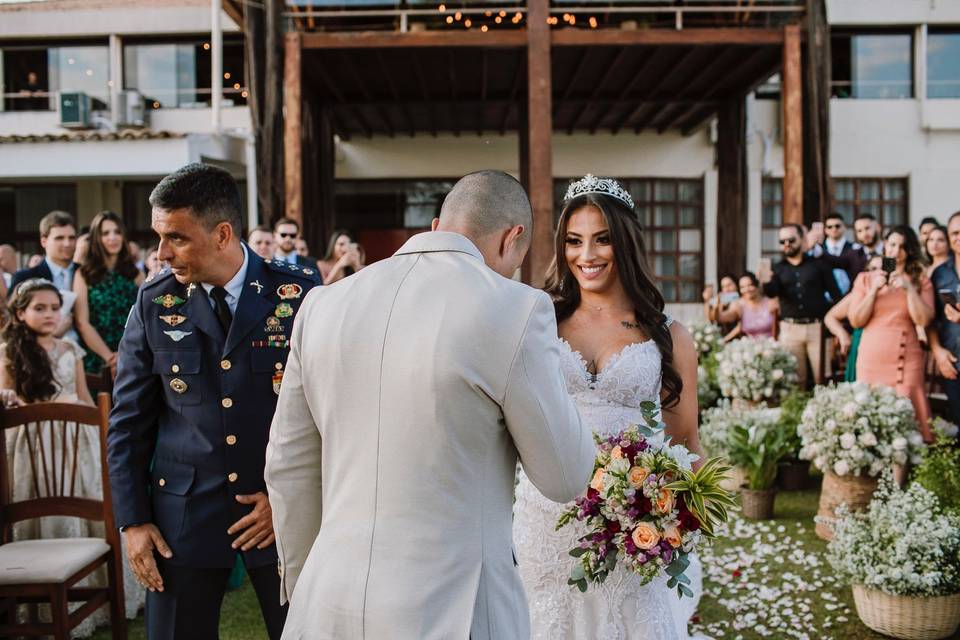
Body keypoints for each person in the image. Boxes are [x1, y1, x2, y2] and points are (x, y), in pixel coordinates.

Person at [265, 170, 593, 639]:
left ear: (437, 226)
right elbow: (565, 476)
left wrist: (306, 586)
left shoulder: (322, 305)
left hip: (328, 601)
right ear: (512, 238)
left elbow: (286, 466)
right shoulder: (515, 308)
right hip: (453, 609)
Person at [107, 163, 320, 640]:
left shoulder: (302, 295)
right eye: (159, 237)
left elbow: (333, 414)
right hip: (182, 516)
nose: (161, 254)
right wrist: (133, 521)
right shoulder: (153, 302)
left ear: (222, 233)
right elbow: (128, 422)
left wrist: (290, 497)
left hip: (281, 516)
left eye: (176, 238)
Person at [512, 175, 705, 640]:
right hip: (549, 518)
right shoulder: (539, 320)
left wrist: (681, 517)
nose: (587, 255)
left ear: (625, 241)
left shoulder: (668, 334)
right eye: (574, 242)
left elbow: (685, 440)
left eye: (602, 240)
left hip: (636, 522)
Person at [0, 278, 146, 635]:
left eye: (54, 308)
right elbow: (6, 393)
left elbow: (83, 398)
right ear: (20, 313)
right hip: (32, 443)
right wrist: (8, 398)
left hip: (74, 439)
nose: (50, 315)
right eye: (39, 308)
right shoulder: (8, 351)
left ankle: (95, 593)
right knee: (32, 500)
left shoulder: (70, 350)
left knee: (91, 497)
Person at [849, 225, 934, 441]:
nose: (896, 251)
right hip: (871, 359)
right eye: (892, 244)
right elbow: (856, 320)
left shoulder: (920, 280)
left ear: (910, 251)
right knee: (871, 419)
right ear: (885, 245)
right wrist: (874, 291)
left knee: (907, 417)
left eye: (902, 246)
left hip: (905, 358)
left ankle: (906, 471)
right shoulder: (866, 279)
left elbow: (923, 319)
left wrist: (909, 289)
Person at [760, 223, 842, 388]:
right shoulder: (778, 268)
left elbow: (836, 296)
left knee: (823, 378)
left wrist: (834, 325)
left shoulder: (819, 265)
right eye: (782, 241)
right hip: (790, 329)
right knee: (795, 381)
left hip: (817, 328)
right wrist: (766, 281)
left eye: (791, 240)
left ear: (802, 240)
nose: (787, 245)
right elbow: (771, 293)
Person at [73, 211, 144, 375]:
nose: (113, 237)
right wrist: (110, 358)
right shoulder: (83, 274)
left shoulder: (136, 274)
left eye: (117, 232)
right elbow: (82, 322)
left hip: (133, 354)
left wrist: (126, 355)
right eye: (106, 233)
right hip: (97, 356)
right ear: (97, 238)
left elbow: (145, 317)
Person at [10, 211, 78, 341]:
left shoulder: (88, 274)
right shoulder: (24, 277)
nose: (67, 244)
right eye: (59, 238)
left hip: (88, 354)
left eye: (71, 238)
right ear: (43, 241)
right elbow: (13, 320)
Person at [824, 255, 884, 382]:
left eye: (882, 268)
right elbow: (830, 317)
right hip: (860, 347)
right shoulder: (858, 295)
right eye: (873, 269)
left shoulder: (895, 295)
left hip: (885, 350)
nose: (877, 273)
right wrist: (842, 335)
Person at [928, 211, 960, 426]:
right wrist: (938, 352)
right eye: (955, 233)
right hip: (952, 359)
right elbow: (931, 320)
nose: (959, 237)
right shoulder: (940, 274)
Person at [716, 271, 779, 339]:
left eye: (750, 285)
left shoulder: (770, 302)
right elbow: (719, 316)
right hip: (746, 343)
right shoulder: (737, 302)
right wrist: (716, 304)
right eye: (742, 287)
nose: (747, 289)